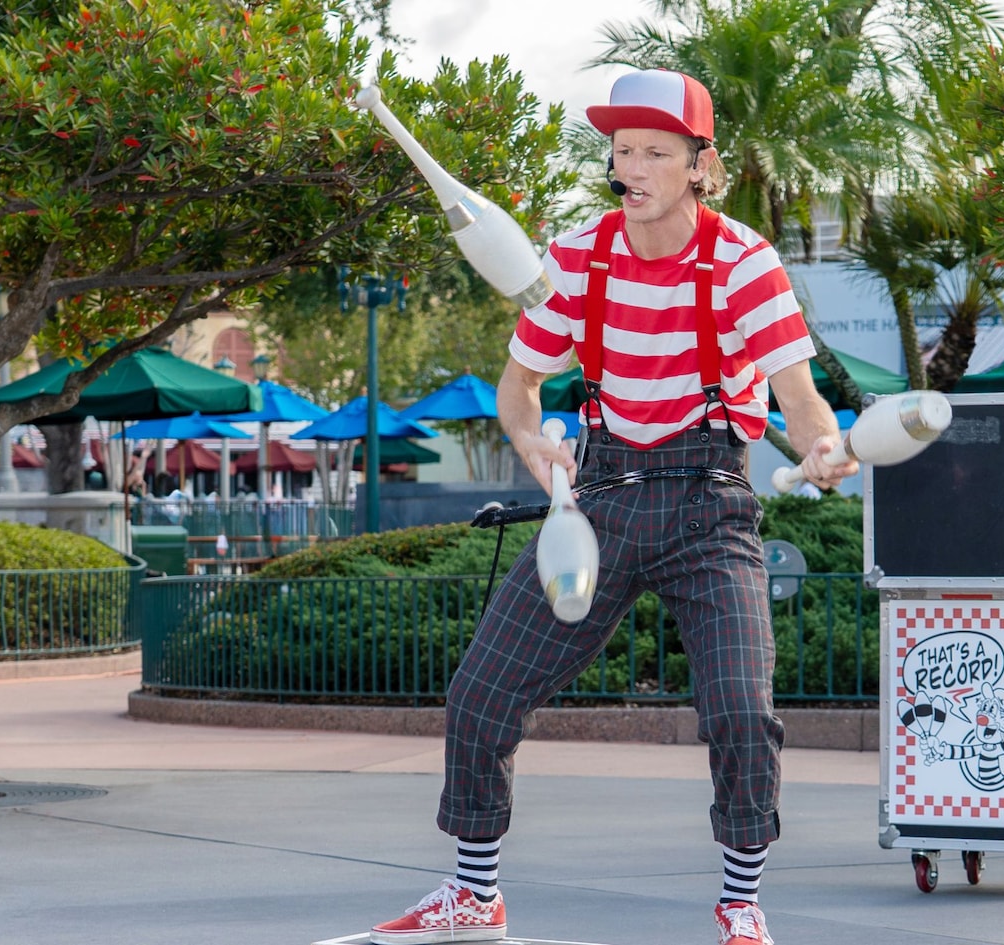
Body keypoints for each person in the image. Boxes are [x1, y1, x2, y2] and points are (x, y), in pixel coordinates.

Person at [370, 69, 856, 945]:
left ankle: (741, 901)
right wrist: (530, 446)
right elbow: (518, 390)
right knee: (480, 692)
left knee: (742, 710)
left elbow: (800, 392)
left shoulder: (745, 260)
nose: (631, 166)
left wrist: (823, 444)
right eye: (622, 149)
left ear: (700, 166)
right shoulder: (577, 254)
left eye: (655, 152)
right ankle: (474, 893)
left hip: (711, 504)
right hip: (597, 497)